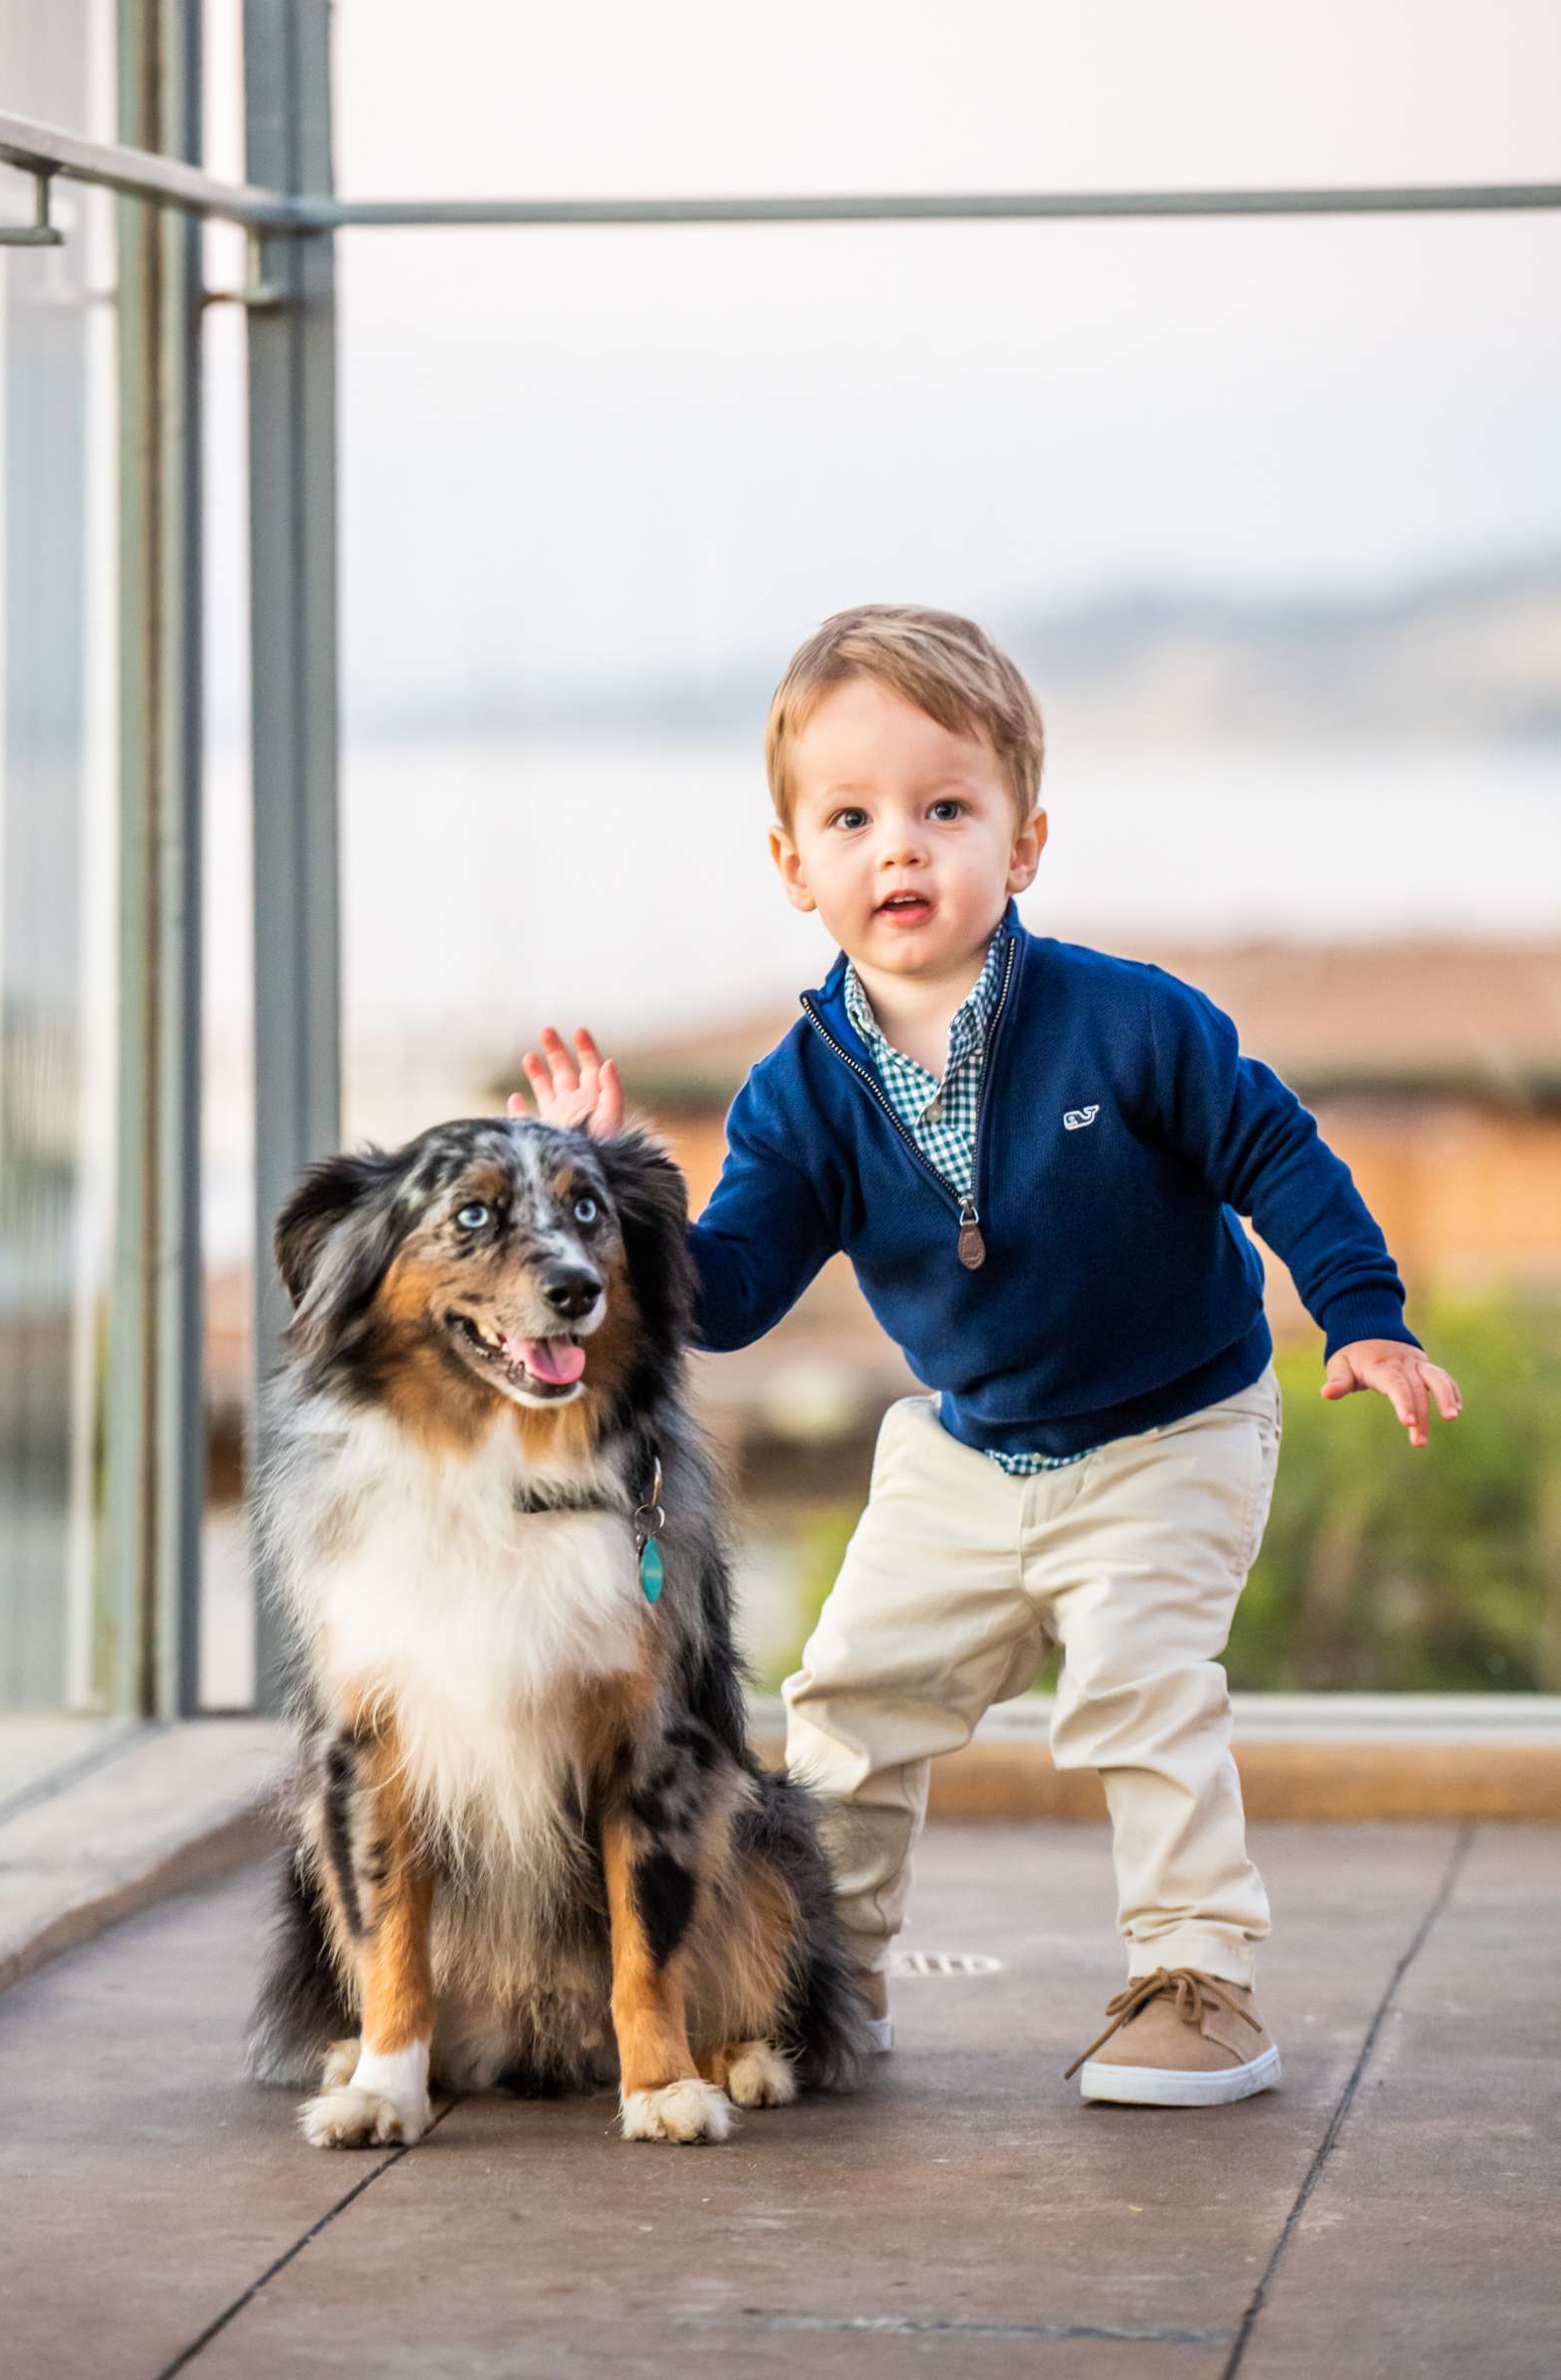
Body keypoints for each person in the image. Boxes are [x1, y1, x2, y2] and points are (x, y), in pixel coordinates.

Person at [507, 603, 1462, 2107]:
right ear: (793, 864)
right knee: (844, 1705)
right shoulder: (800, 1090)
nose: (902, 848)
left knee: (1143, 1685)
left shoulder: (1131, 1023)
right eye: (854, 817)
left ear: (1019, 845)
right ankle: (826, 1972)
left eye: (946, 809)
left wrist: (1364, 1314)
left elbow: (1275, 1150)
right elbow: (735, 1287)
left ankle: (1196, 1981)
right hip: (963, 1447)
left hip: (1172, 1429)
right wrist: (611, 1197)